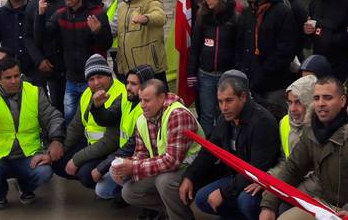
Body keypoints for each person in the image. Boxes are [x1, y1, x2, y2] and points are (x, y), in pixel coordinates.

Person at [259, 76, 348, 220]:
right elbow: (293, 168)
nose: (321, 103)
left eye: (327, 98)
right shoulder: (311, 129)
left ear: (342, 101)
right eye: (317, 98)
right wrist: (268, 205)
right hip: (323, 204)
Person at [0, 56, 65, 210]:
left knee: (44, 172)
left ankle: (26, 188)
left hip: (28, 153)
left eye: (17, 76)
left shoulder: (34, 92)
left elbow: (53, 117)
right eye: (8, 78)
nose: (14, 81)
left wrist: (56, 140)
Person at [180, 73, 281, 220]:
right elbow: (209, 151)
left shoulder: (262, 122)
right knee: (202, 198)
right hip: (236, 176)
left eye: (229, 101)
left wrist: (223, 192)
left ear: (243, 97)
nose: (223, 107)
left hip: (260, 181)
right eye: (220, 102)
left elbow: (257, 169)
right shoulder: (225, 119)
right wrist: (189, 176)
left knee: (245, 202)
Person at [116, 79, 203, 220]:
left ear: (162, 97)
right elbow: (141, 154)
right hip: (167, 168)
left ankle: (179, 216)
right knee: (129, 192)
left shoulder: (178, 114)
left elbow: (172, 161)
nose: (142, 105)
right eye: (140, 100)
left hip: (193, 169)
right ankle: (173, 210)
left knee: (164, 182)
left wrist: (133, 167)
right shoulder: (143, 119)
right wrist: (125, 169)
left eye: (147, 100)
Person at [36, 0, 112, 123]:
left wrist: (98, 32)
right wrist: (40, 15)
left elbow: (106, 44)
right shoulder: (60, 14)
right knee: (71, 120)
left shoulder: (96, 14)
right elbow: (42, 37)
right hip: (71, 79)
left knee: (93, 119)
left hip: (92, 80)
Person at [55, 54, 126, 188]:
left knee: (85, 174)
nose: (96, 83)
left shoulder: (121, 94)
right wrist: (61, 149)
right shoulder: (87, 93)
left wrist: (76, 160)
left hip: (112, 149)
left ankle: (112, 186)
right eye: (91, 79)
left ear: (109, 75)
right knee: (58, 163)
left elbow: (110, 142)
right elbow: (76, 127)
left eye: (100, 77)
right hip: (91, 144)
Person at [93, 65, 157, 203]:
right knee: (102, 189)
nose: (128, 87)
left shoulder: (148, 109)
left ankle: (146, 201)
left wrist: (102, 167)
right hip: (128, 156)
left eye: (133, 84)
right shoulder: (126, 99)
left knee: (109, 176)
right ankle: (129, 196)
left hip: (143, 160)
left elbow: (131, 144)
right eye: (127, 82)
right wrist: (97, 107)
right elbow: (107, 119)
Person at [241, 0, 300, 117]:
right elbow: (241, 42)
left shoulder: (282, 12)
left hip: (274, 83)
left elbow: (286, 49)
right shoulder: (249, 12)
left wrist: (264, 72)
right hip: (251, 81)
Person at [187, 0, 242, 132]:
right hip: (206, 75)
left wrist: (238, 71)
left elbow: (239, 48)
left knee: (225, 113)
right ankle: (208, 149)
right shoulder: (202, 17)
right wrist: (191, 72)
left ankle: (226, 146)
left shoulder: (235, 18)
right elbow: (195, 47)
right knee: (206, 114)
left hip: (227, 75)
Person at [24, 0, 67, 109]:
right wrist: (39, 60)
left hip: (71, 64)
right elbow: (28, 37)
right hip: (50, 66)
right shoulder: (33, 4)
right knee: (56, 106)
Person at [115, 0, 169, 81]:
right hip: (129, 70)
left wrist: (146, 18)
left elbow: (161, 17)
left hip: (149, 70)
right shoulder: (122, 5)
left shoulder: (151, 1)